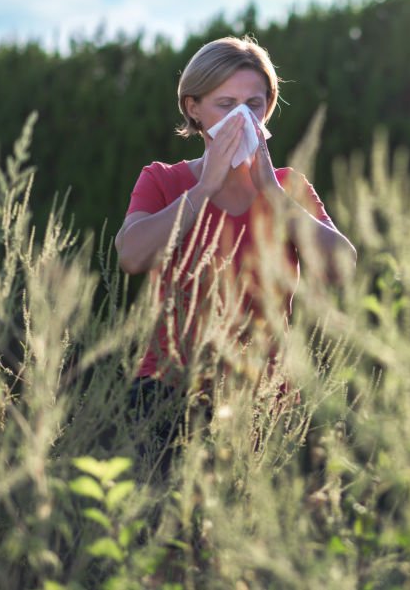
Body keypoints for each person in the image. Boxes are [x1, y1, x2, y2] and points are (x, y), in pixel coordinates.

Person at [114, 36, 356, 472]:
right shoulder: (163, 180)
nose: (241, 118)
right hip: (168, 395)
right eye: (226, 105)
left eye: (253, 105)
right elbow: (131, 256)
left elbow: (343, 266)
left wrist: (274, 193)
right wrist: (205, 187)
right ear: (194, 109)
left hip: (265, 399)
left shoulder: (288, 186)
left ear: (268, 110)